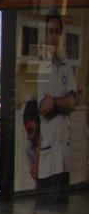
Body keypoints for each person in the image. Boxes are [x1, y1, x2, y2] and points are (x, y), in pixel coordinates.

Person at [36, 11, 77, 190]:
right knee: (45, 207)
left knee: (63, 204)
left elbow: (72, 104)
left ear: (61, 34)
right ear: (46, 34)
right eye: (50, 31)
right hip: (48, 152)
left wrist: (56, 102)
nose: (53, 36)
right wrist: (62, 102)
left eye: (56, 31)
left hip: (64, 152)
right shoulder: (41, 67)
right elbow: (44, 107)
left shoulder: (67, 66)